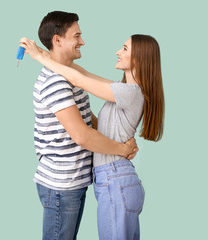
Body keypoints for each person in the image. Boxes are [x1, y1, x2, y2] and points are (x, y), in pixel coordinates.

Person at [20, 34, 165, 240]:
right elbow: (82, 72)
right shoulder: (123, 90)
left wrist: (37, 57)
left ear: (139, 58)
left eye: (124, 49)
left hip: (116, 180)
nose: (118, 52)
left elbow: (78, 79)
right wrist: (44, 53)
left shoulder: (129, 93)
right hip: (115, 179)